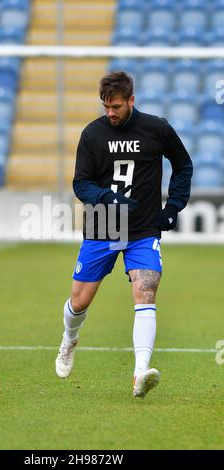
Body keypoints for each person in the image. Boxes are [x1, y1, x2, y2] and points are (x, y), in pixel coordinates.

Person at [55, 71, 193, 398]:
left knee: (146, 291)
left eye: (116, 106)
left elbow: (183, 165)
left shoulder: (157, 128)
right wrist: (108, 197)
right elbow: (81, 183)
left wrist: (173, 207)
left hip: (144, 227)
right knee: (79, 301)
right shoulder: (92, 134)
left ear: (132, 100)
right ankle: (69, 338)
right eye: (106, 107)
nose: (110, 113)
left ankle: (140, 373)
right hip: (104, 224)